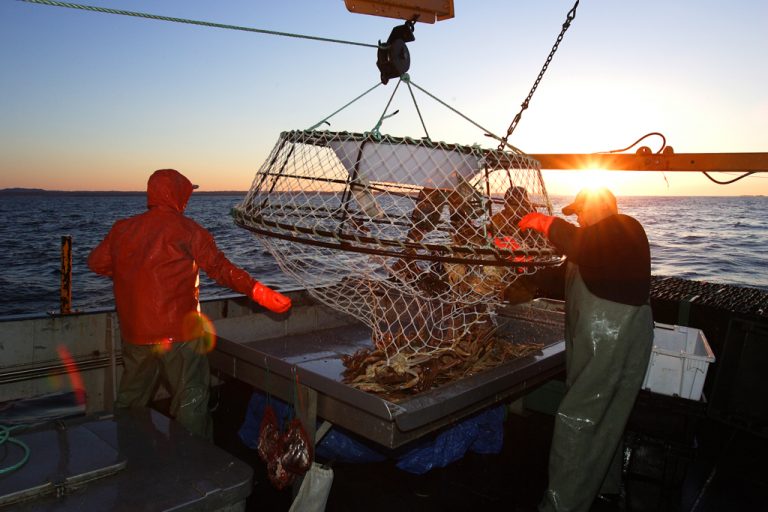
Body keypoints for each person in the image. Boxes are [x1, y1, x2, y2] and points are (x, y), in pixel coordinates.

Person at [88, 168, 291, 439]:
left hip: (135, 334)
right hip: (180, 335)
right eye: (186, 193)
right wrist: (259, 292)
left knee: (131, 399)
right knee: (190, 400)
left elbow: (96, 263)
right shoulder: (189, 230)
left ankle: (126, 450)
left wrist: (133, 271)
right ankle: (194, 459)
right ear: (177, 194)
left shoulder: (122, 229)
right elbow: (220, 269)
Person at [518, 187, 653, 512]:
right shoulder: (592, 247)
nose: (578, 218)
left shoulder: (624, 228)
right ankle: (603, 488)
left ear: (603, 207)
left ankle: (560, 506)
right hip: (602, 340)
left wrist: (546, 223)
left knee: (578, 417)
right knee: (605, 414)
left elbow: (583, 243)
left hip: (613, 336)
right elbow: (568, 268)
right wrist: (524, 266)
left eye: (581, 211)